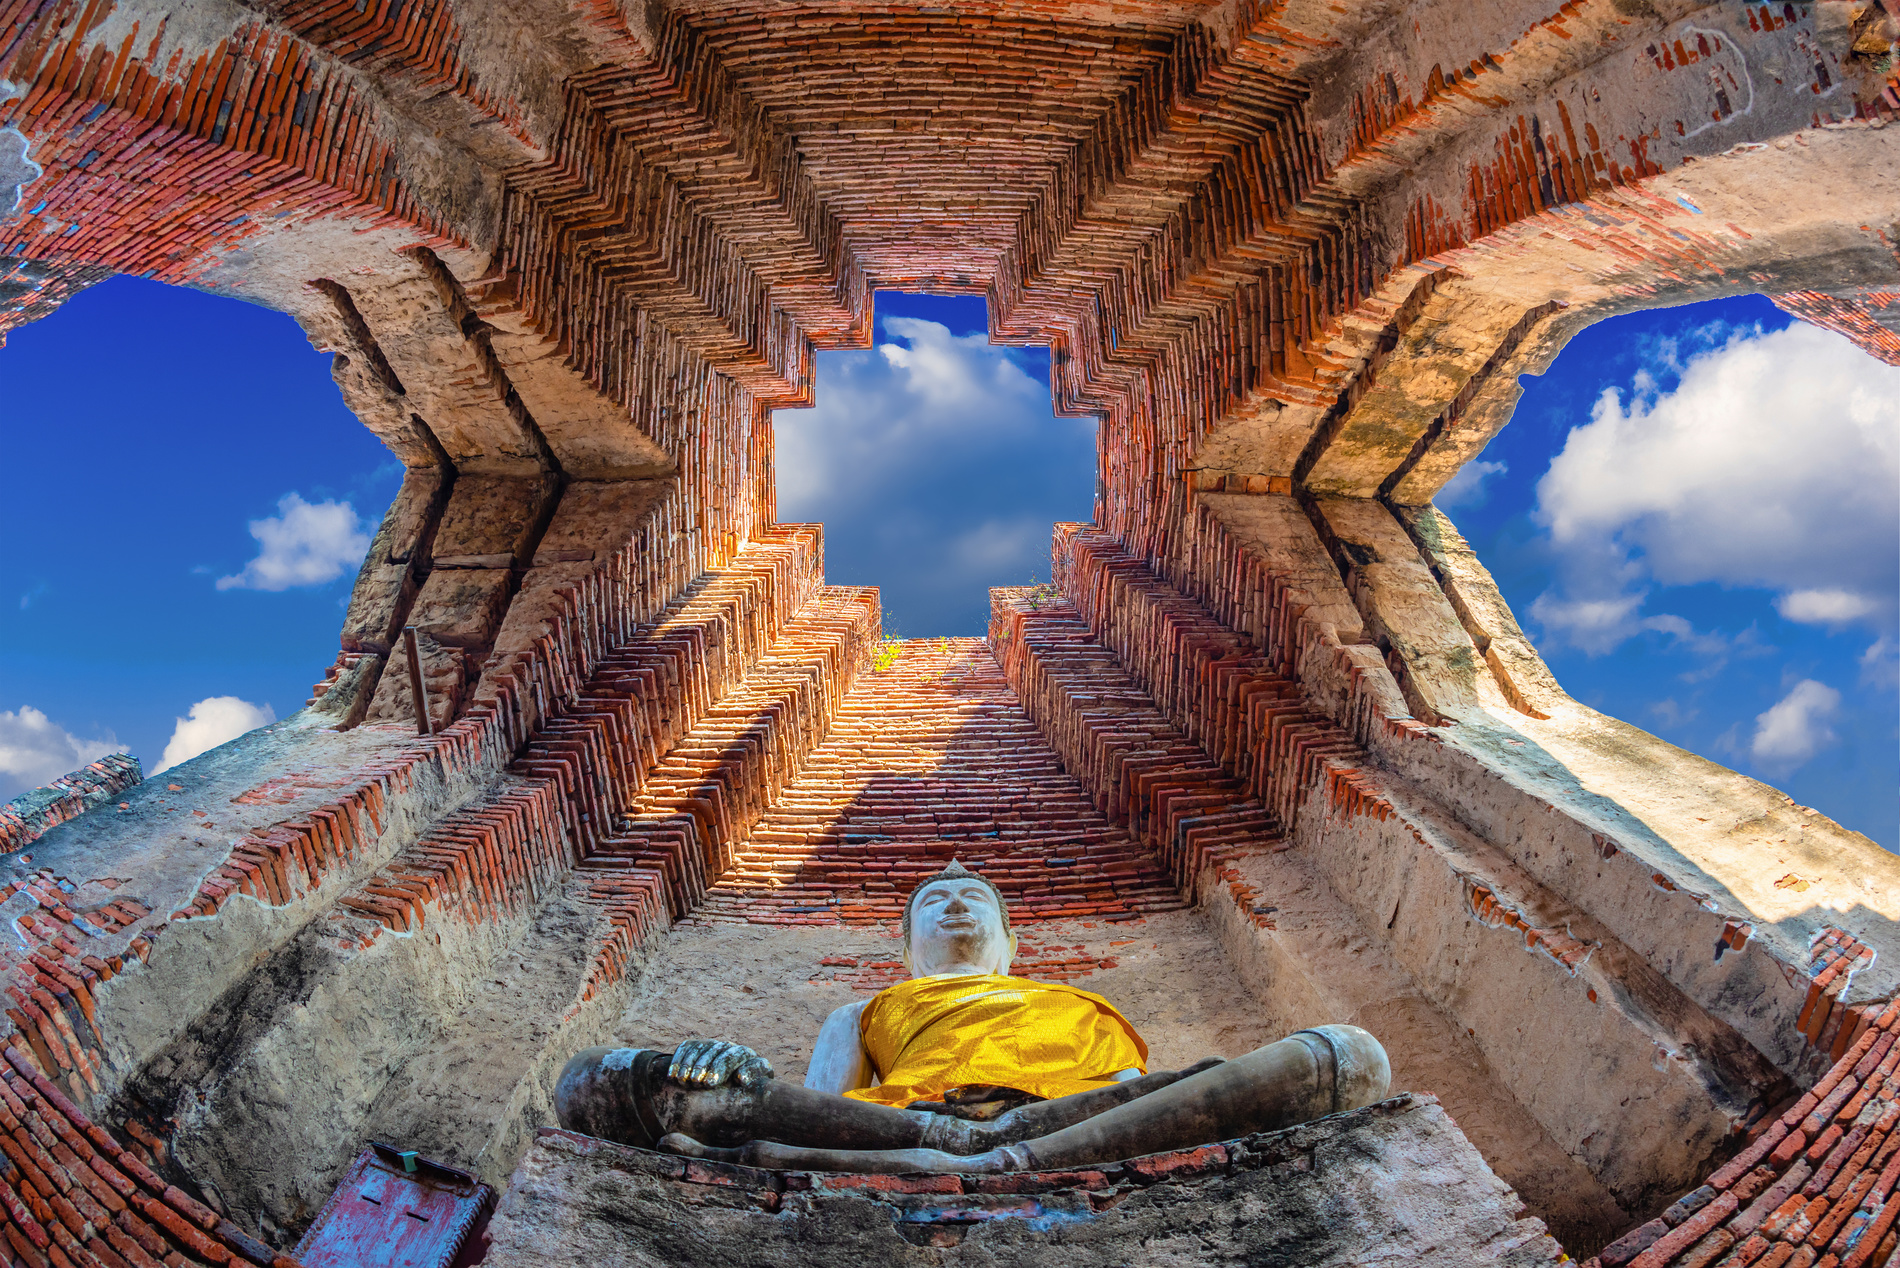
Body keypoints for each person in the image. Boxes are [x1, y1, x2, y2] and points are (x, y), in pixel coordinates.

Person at [556, 860, 1389, 1173]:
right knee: (596, 1080)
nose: (955, 907)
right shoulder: (867, 1006)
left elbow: (1138, 1095)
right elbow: (826, 1101)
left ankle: (991, 1153)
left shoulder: (1073, 1003)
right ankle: (1003, 1157)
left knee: (1345, 1058)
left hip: (1070, 1113)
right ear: (908, 936)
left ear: (1006, 934)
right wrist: (728, 1066)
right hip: (907, 1125)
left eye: (972, 898)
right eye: (937, 900)